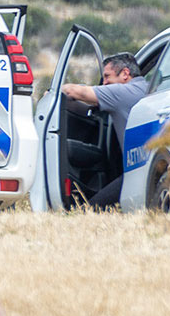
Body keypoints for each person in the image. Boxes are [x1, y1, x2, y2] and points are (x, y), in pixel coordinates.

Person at [60, 54, 146, 206]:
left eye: (107, 77)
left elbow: (77, 92)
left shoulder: (121, 92)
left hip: (137, 171)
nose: (104, 83)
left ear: (125, 74)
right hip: (148, 166)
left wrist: (53, 92)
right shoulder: (144, 87)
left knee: (93, 209)